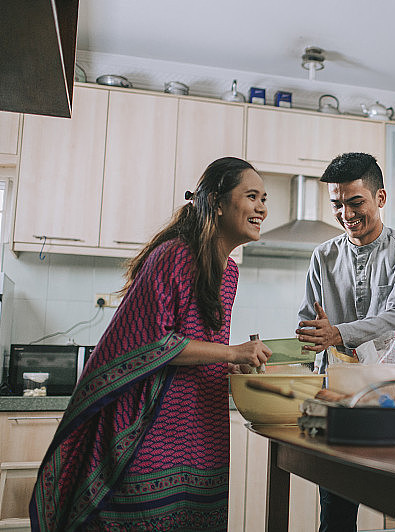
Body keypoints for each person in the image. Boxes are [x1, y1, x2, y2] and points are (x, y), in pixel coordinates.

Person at [29, 157, 272, 531]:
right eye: (251, 196)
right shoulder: (174, 255)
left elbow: (201, 344)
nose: (262, 208)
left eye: (264, 199)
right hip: (148, 425)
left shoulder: (231, 272)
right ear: (219, 203)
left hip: (201, 425)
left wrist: (230, 363)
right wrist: (231, 352)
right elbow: (152, 342)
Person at [295, 152, 395, 532]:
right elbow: (309, 320)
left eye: (356, 202)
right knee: (336, 518)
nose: (346, 214)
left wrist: (338, 333)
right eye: (337, 204)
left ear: (380, 198)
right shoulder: (322, 256)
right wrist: (309, 335)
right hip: (339, 404)